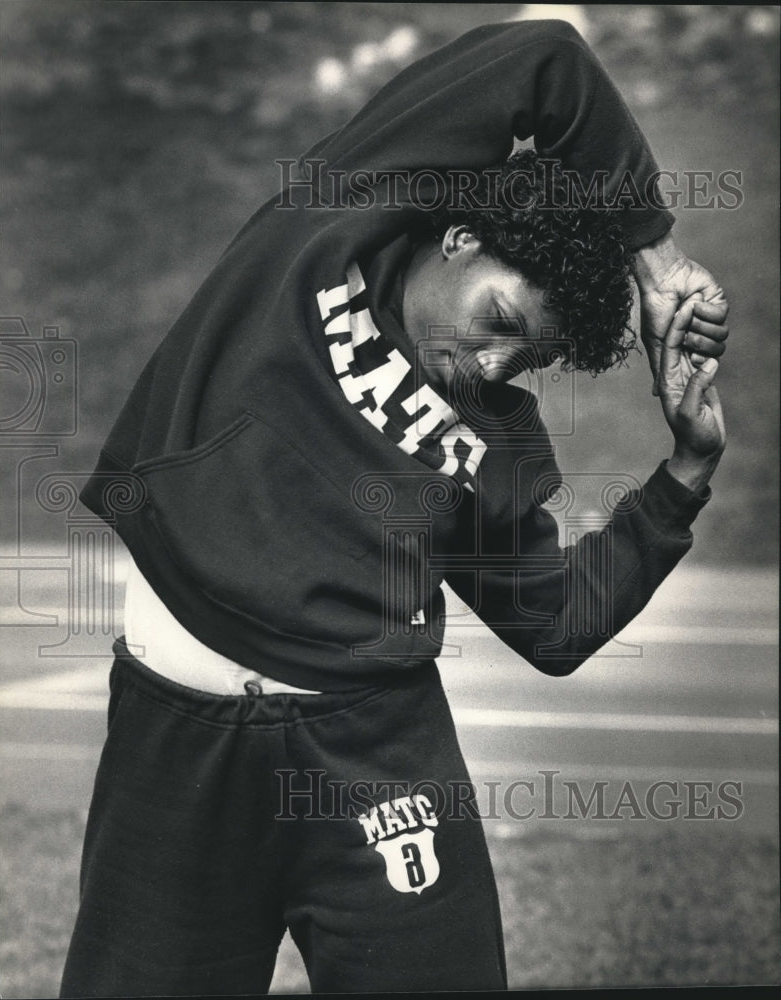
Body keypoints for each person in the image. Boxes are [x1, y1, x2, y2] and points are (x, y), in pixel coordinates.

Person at [61, 18, 728, 996]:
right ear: (459, 238)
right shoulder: (336, 219)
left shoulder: (492, 440)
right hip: (179, 745)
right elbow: (546, 60)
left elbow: (556, 623)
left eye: (526, 361)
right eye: (501, 322)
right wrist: (654, 253)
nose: (494, 365)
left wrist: (686, 472)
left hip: (377, 749)